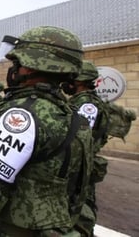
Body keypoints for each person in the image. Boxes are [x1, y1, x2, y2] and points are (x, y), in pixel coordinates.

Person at [0, 26, 93, 236]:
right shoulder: (72, 115)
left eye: (18, 63)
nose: (14, 69)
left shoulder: (21, 115)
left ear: (31, 67)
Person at [64, 61, 110, 237]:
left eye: (72, 78)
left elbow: (80, 137)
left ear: (80, 81)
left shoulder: (86, 105)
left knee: (80, 209)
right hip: (80, 163)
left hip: (79, 166)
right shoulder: (85, 101)